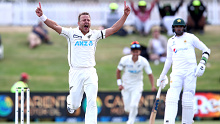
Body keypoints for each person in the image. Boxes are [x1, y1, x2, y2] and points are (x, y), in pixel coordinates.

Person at [35, 1, 130, 124]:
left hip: (90, 71)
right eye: (84, 20)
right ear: (78, 23)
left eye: (88, 20)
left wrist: (125, 16)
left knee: (91, 100)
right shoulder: (71, 33)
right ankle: (71, 102)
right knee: (75, 105)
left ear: (90, 22)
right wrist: (42, 16)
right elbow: (55, 26)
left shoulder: (95, 34)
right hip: (76, 71)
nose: (86, 22)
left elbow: (113, 29)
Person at [156, 18, 210, 124]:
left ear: (184, 27)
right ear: (173, 28)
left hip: (190, 71)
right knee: (171, 96)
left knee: (187, 97)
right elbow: (168, 60)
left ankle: (187, 122)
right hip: (176, 72)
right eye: (177, 27)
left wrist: (202, 63)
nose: (179, 28)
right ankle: (169, 122)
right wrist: (162, 75)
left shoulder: (190, 37)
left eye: (180, 27)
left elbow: (206, 50)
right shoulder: (171, 41)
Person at [116, 41, 156, 124]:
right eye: (134, 51)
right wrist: (119, 84)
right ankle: (133, 114)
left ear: (140, 52)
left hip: (137, 85)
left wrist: (153, 86)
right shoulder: (124, 59)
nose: (135, 53)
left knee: (134, 105)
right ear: (131, 52)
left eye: (137, 51)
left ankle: (131, 121)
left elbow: (150, 74)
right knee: (127, 108)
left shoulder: (143, 61)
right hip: (126, 85)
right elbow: (118, 71)